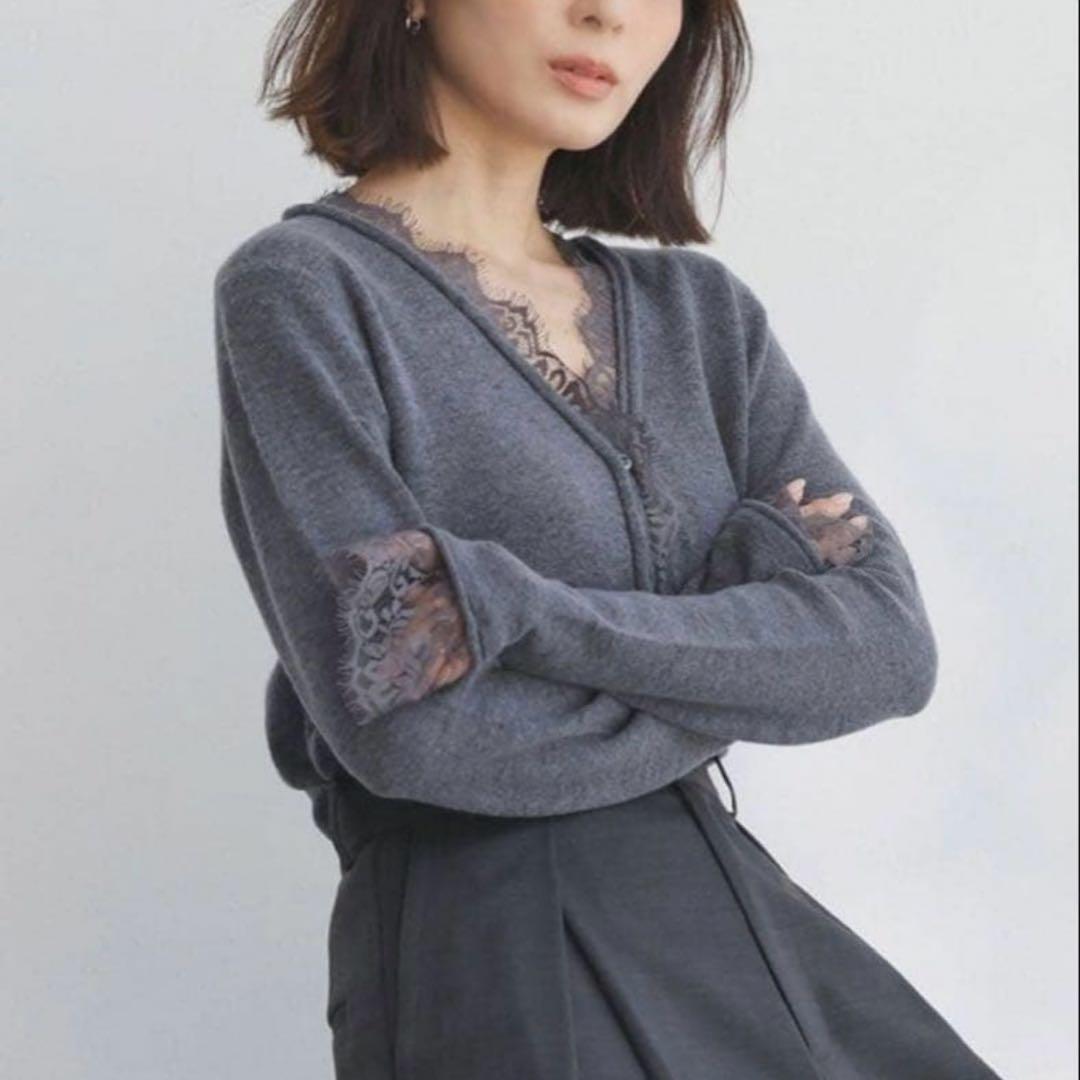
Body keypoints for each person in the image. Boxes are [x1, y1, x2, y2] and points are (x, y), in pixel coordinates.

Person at [213, 1, 1004, 1076]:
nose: (610, 13)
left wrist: (516, 613)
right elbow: (410, 732)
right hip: (497, 949)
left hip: (725, 905)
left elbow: (887, 652)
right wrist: (741, 619)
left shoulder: (702, 317)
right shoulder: (304, 289)